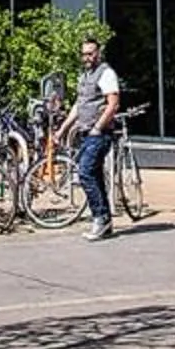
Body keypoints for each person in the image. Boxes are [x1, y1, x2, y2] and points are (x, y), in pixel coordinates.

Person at [61, 33, 122, 240]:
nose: (87, 57)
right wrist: (63, 129)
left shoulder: (106, 74)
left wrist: (98, 127)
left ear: (98, 53)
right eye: (84, 54)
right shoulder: (85, 76)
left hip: (99, 134)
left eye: (90, 53)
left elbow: (113, 104)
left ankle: (100, 218)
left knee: (85, 173)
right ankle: (104, 221)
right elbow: (79, 106)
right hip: (86, 133)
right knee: (94, 175)